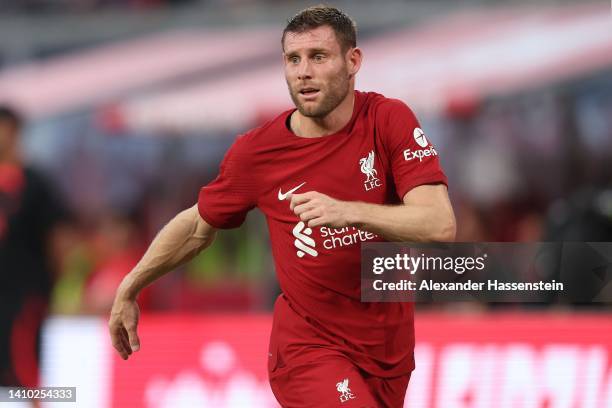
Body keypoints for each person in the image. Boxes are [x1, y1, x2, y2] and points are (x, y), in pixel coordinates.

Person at [109, 6, 456, 407]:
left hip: (388, 350)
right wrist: (130, 286)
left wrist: (350, 210)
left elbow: (439, 224)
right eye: (293, 59)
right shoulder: (258, 151)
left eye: (318, 57)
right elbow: (196, 226)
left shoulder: (387, 119)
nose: (303, 72)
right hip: (309, 350)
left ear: (353, 61)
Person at [0, 106, 68, 388]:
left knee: (24, 366)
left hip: (23, 292)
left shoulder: (36, 184)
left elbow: (58, 239)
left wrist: (54, 284)